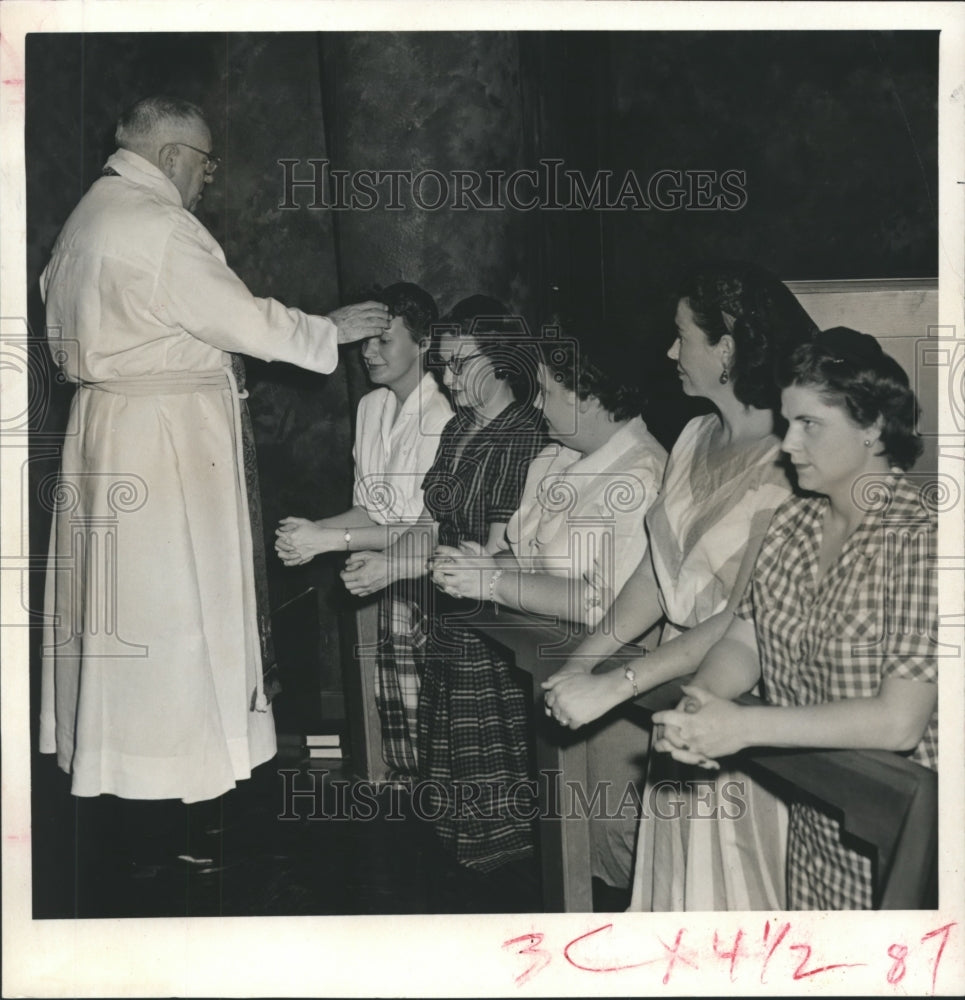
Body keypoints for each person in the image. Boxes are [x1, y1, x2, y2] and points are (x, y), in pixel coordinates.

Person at [39, 95, 388, 839]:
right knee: (173, 614)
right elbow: (242, 317)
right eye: (204, 164)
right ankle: (175, 798)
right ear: (171, 157)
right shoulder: (158, 224)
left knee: (125, 617)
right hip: (162, 445)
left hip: (107, 432)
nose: (207, 180)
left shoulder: (85, 219)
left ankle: (127, 780)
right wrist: (327, 329)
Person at [541, 261, 817, 905]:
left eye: (682, 336)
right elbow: (654, 576)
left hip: (743, 692)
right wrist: (580, 663)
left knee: (740, 887)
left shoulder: (792, 458)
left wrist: (617, 683)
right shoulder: (693, 435)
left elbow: (736, 618)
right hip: (675, 676)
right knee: (675, 883)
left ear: (726, 349)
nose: (670, 351)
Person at [651, 328, 937, 910]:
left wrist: (744, 728)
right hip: (815, 828)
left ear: (874, 427)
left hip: (906, 837)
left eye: (811, 424)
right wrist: (701, 700)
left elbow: (898, 722)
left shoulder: (924, 541)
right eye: (788, 423)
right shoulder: (791, 525)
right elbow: (744, 638)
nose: (789, 444)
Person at [342, 296, 548, 876]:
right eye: (447, 365)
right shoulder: (459, 429)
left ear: (503, 361)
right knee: (449, 791)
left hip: (496, 631)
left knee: (499, 795)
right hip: (449, 620)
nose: (449, 379)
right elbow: (430, 526)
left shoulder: (522, 435)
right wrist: (390, 562)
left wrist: (392, 568)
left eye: (461, 366)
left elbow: (489, 552)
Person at [275, 282, 453, 775]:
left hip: (434, 585)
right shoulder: (371, 407)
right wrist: (314, 532)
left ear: (423, 343)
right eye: (364, 342)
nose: (368, 353)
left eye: (384, 340)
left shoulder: (443, 415)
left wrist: (328, 540)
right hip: (385, 579)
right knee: (397, 722)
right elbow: (373, 510)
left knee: (436, 734)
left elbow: (424, 530)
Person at [430, 325, 667, 626]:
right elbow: (525, 561)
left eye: (546, 391)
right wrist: (474, 566)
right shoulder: (553, 457)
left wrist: (491, 582)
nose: (537, 404)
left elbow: (606, 603)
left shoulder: (642, 478)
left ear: (587, 398)